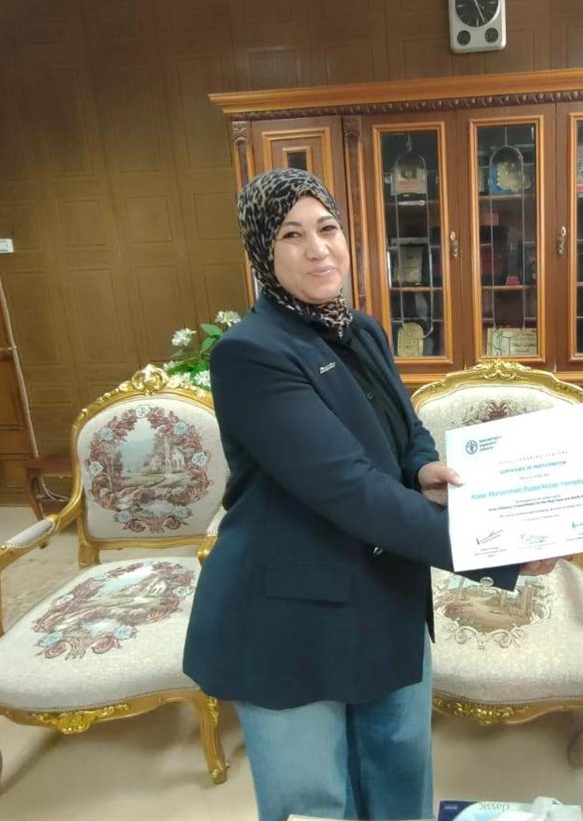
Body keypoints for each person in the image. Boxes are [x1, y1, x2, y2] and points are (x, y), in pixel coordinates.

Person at [182, 168, 555, 821]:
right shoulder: (250, 354)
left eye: (327, 228)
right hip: (290, 618)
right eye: (292, 235)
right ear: (263, 253)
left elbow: (407, 429)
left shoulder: (362, 330)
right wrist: (499, 548)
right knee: (315, 805)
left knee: (399, 785)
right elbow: (349, 488)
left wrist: (422, 468)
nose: (317, 248)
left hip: (386, 594)